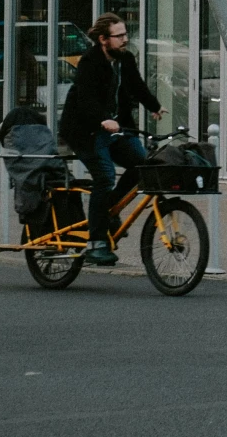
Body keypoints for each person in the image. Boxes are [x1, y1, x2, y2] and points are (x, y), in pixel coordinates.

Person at [59, 14, 161, 266]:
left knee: (142, 165)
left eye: (126, 35)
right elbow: (86, 100)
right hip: (86, 131)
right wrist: (103, 119)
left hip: (116, 128)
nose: (125, 40)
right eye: (119, 36)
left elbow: (136, 85)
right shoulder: (89, 62)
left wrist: (154, 106)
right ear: (103, 40)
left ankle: (108, 211)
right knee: (104, 177)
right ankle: (96, 243)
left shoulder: (124, 59)